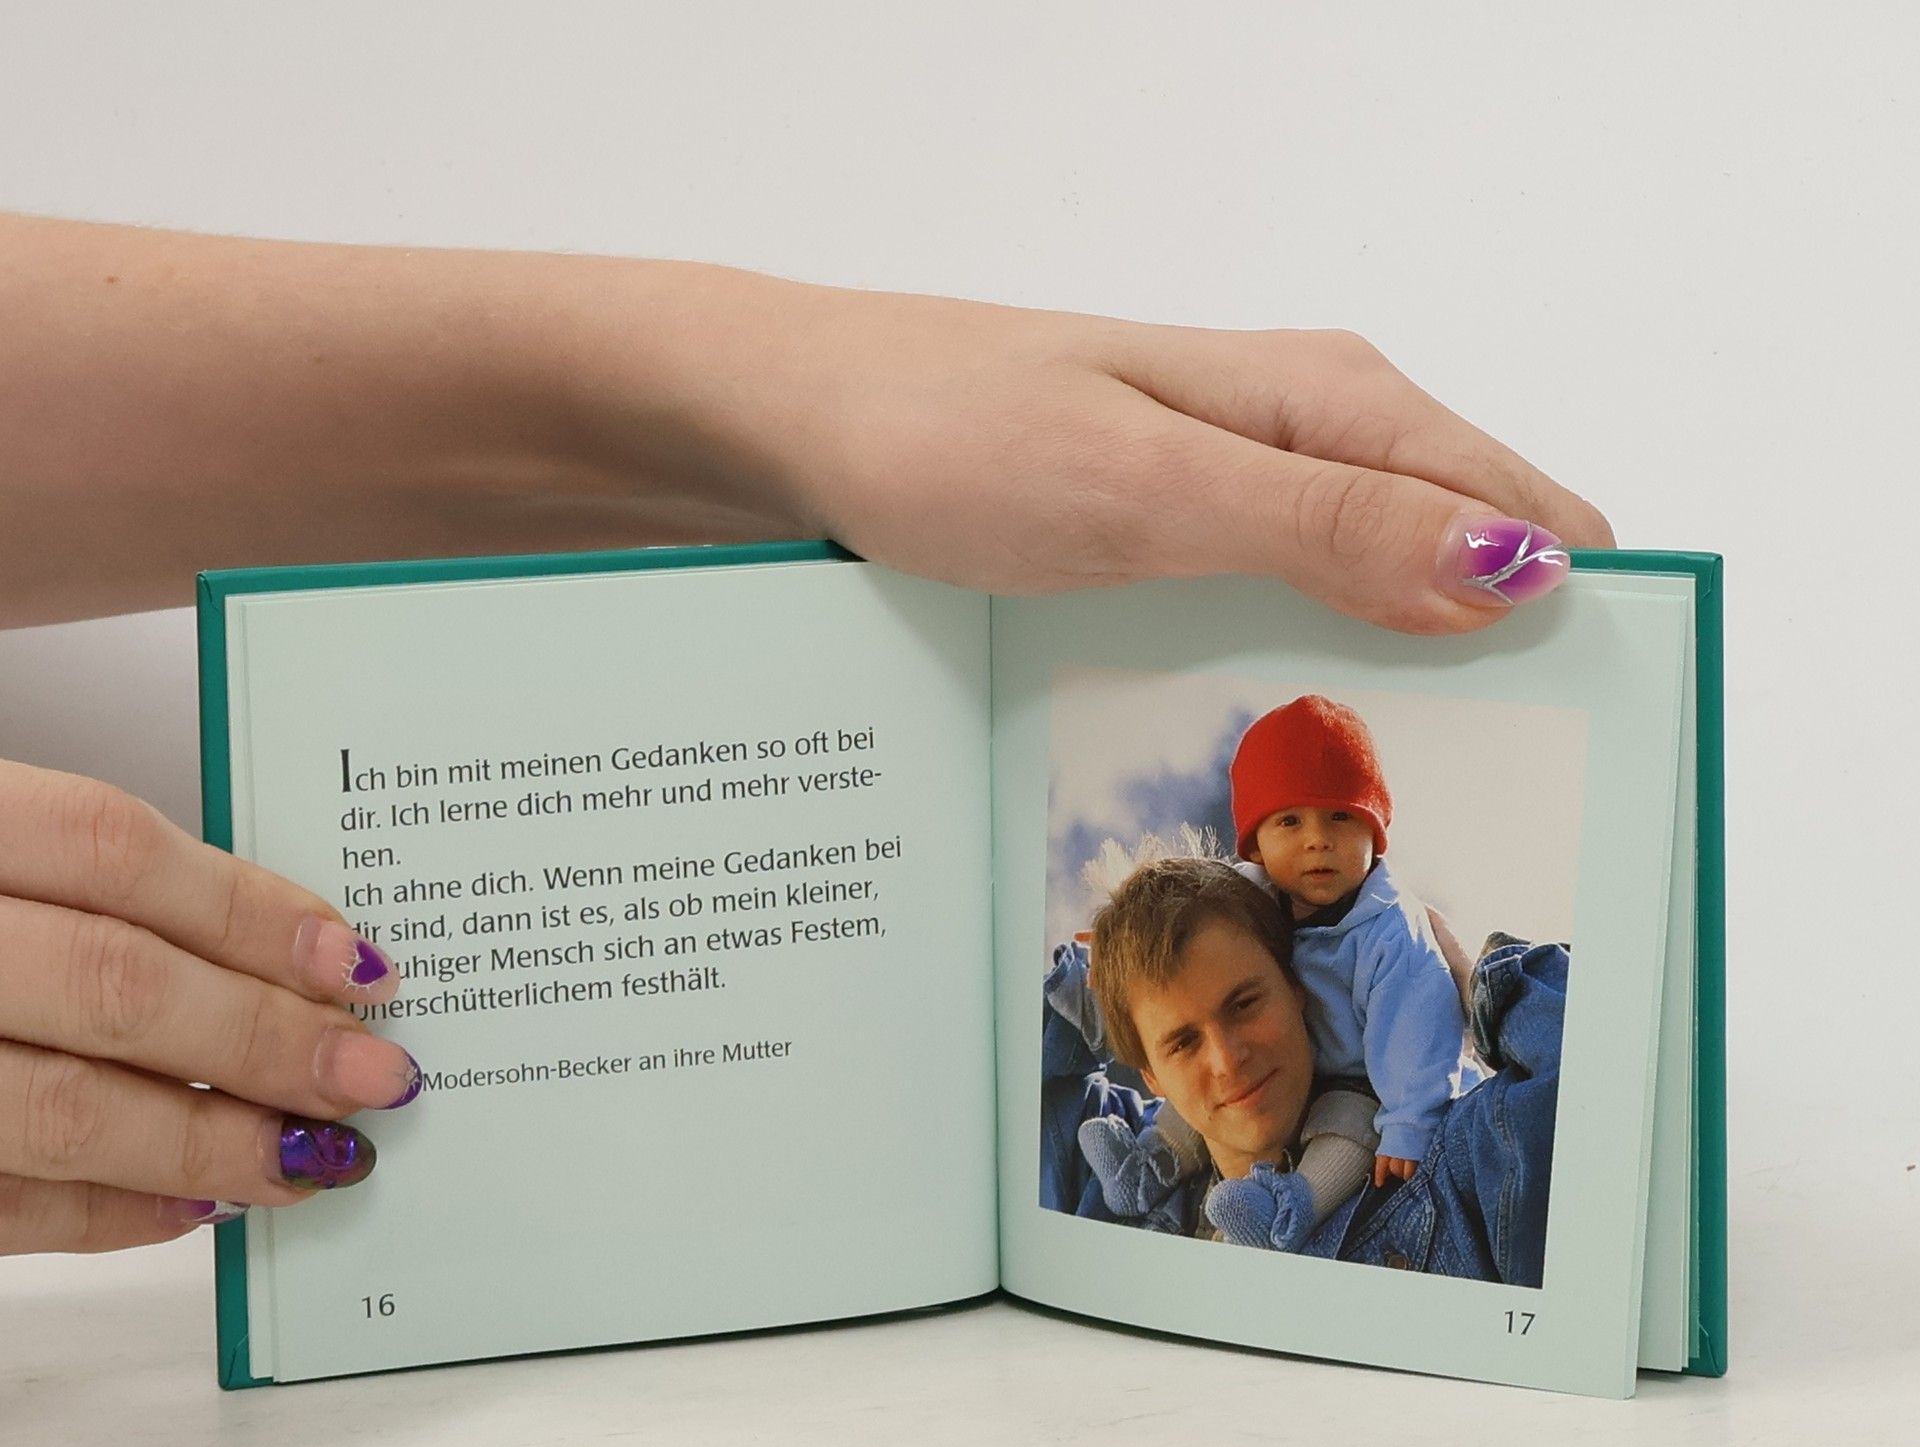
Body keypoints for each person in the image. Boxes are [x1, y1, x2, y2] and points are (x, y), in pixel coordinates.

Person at [0, 210, 1609, 1258]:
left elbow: (1453, 1080)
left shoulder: (1392, 1005)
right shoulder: (1131, 1147)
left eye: (1244, 1002)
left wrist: (789, 390)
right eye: (1182, 1039)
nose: (1229, 1047)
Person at [1039, 855, 1564, 1288]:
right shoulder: (1111, 1182)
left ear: (1299, 992)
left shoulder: (1448, 1165)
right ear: (1150, 1075)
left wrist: (1474, 988)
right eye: (1183, 1042)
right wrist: (1106, 972)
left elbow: (1589, 1092)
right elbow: (1005, 1069)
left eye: (1244, 1004)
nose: (1227, 1059)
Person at [1227, 693, 1477, 1231]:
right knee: (1204, 1080)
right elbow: (1180, 918)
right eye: (1290, 821)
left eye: (1341, 817)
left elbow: (1423, 1026)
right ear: (1256, 846)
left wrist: (1410, 1123)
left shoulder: (1390, 927)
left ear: (1375, 832)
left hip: (1368, 1080)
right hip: (1288, 1071)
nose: (1318, 840)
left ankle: (1292, 1212)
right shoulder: (1242, 900)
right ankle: (1154, 1158)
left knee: (1347, 1124)